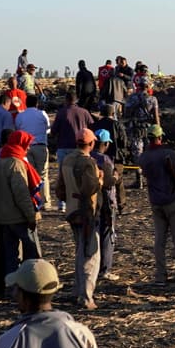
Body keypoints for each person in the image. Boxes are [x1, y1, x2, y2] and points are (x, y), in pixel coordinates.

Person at [0, 131, 42, 300]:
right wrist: (31, 216)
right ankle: (34, 288)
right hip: (19, 217)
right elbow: (21, 195)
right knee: (33, 253)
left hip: (3, 218)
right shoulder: (16, 164)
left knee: (10, 257)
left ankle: (13, 290)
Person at [57, 128, 103, 310]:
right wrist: (100, 179)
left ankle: (77, 291)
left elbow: (59, 188)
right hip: (85, 212)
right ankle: (86, 297)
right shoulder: (88, 163)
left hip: (71, 210)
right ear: (91, 144)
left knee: (79, 251)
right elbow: (90, 187)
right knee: (90, 254)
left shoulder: (67, 159)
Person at [138, 125, 175, 284]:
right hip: (172, 200)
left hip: (155, 201)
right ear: (160, 138)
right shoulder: (169, 154)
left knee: (159, 240)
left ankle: (161, 275)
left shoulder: (143, 157)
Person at [90, 130, 120, 283]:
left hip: (92, 202)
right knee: (108, 236)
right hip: (107, 203)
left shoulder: (89, 157)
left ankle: (94, 267)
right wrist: (116, 176)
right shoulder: (105, 160)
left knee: (95, 235)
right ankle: (105, 269)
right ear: (106, 143)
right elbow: (108, 183)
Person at [14, 94, 52, 209]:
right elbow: (48, 129)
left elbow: (17, 130)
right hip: (40, 146)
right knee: (43, 175)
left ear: (26, 103)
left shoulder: (20, 116)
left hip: (26, 148)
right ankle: (45, 202)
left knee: (29, 175)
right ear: (37, 103)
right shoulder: (42, 114)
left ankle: (33, 201)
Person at [52, 90, 95, 172]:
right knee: (80, 173)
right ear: (76, 100)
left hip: (63, 147)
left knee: (63, 174)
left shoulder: (61, 112)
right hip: (80, 147)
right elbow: (92, 128)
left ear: (66, 100)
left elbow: (54, 131)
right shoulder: (84, 112)